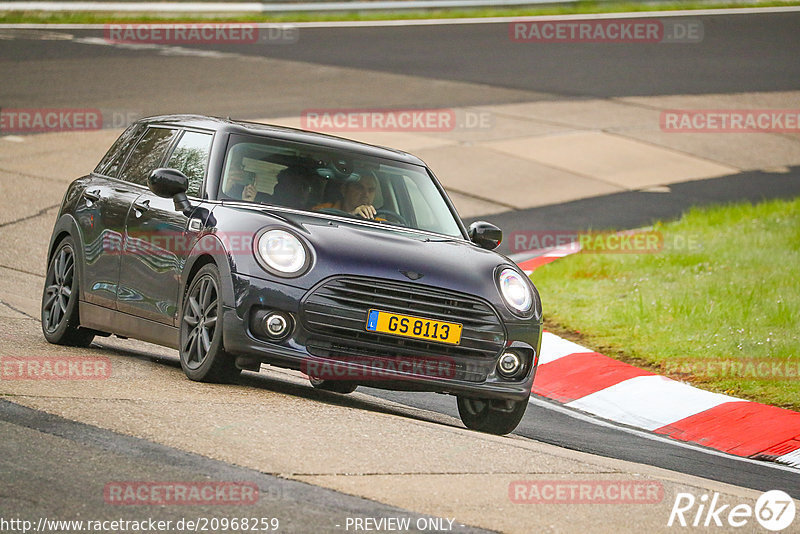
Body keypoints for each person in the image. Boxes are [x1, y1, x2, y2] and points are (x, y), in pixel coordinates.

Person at [314, 172, 379, 219]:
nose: (366, 194)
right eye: (359, 188)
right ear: (344, 189)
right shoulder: (322, 211)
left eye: (371, 190)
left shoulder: (381, 224)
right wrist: (351, 215)